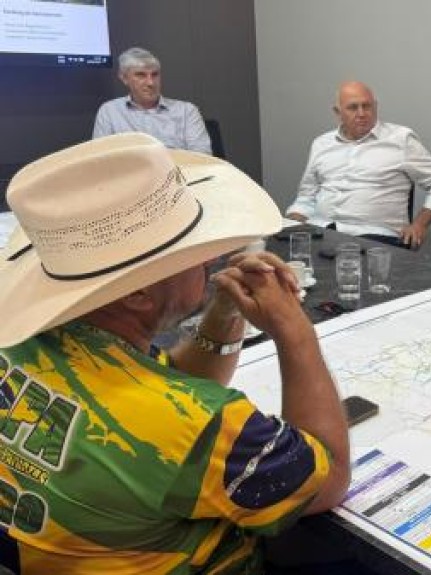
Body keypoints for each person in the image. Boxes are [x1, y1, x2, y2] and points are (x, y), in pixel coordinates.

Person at [0, 133, 350, 573]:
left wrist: (226, 311)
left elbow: (173, 389)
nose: (211, 259)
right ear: (139, 294)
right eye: (193, 253)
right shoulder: (195, 425)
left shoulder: (36, 344)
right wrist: (293, 329)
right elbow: (329, 479)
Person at [285, 81, 431, 249]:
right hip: (320, 231)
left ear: (376, 107)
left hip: (375, 238)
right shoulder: (321, 144)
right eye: (353, 108)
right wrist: (291, 222)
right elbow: (306, 196)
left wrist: (420, 225)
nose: (361, 113)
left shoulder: (400, 140)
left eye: (367, 106)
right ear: (338, 112)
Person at [93, 47, 212, 154]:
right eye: (141, 75)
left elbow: (202, 157)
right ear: (124, 78)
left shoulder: (186, 111)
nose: (150, 83)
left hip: (179, 171)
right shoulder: (110, 112)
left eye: (154, 75)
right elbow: (99, 158)